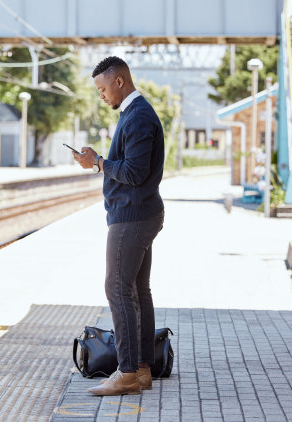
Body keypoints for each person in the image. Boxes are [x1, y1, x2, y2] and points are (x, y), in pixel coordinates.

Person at [71, 56, 165, 396]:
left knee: (117, 289)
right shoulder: (133, 114)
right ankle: (140, 370)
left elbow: (134, 173)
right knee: (138, 291)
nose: (101, 95)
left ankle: (126, 373)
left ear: (120, 82)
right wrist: (99, 161)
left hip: (133, 217)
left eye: (103, 88)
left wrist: (96, 162)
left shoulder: (138, 117)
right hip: (139, 213)